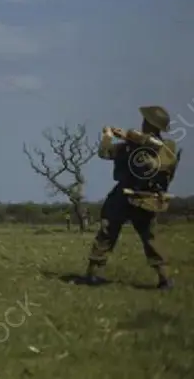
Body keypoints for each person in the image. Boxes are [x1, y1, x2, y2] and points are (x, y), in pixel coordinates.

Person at [80, 105, 178, 289]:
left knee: (108, 231)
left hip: (125, 197)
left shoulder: (130, 146)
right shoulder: (169, 148)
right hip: (149, 199)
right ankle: (165, 278)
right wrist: (127, 136)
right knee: (150, 237)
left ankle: (92, 274)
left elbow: (104, 152)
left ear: (147, 123)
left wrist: (108, 135)